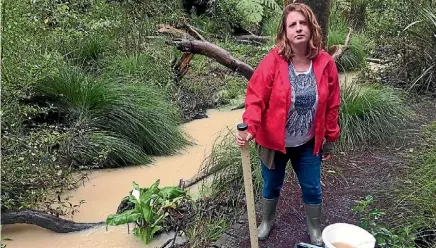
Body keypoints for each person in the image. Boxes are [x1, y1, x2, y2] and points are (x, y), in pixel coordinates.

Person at [235, 3, 341, 246]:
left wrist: (330, 139)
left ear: (311, 27)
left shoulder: (325, 63)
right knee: (271, 185)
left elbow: (333, 103)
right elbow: (255, 97)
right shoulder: (273, 61)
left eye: (303, 23)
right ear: (285, 32)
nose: (299, 28)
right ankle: (266, 222)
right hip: (274, 142)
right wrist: (249, 128)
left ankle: (315, 229)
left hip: (308, 143)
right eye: (292, 24)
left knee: (312, 188)